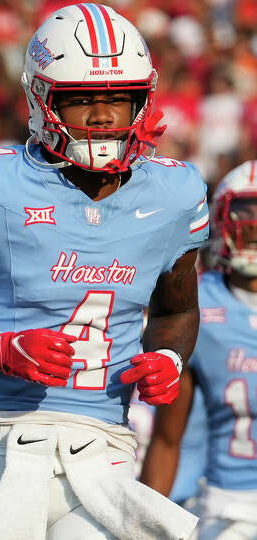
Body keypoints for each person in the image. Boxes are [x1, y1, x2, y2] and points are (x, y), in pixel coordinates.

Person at [0, 4, 207, 538]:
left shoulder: (173, 194)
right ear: (40, 97)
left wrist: (170, 356)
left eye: (117, 97)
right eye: (82, 98)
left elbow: (178, 308)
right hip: (3, 441)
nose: (104, 116)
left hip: (106, 440)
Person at [141, 161, 257, 539]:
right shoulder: (199, 308)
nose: (255, 225)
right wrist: (140, 526)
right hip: (232, 509)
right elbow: (167, 438)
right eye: (245, 213)